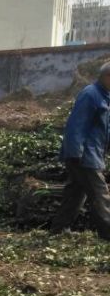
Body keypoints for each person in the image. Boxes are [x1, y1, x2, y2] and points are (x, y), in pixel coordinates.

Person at [50, 62, 110, 239]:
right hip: (84, 155)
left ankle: (59, 229)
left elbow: (104, 128)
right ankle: (107, 234)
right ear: (107, 76)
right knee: (100, 194)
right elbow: (76, 125)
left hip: (93, 152)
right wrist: (75, 153)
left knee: (75, 194)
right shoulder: (90, 94)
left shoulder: (105, 96)